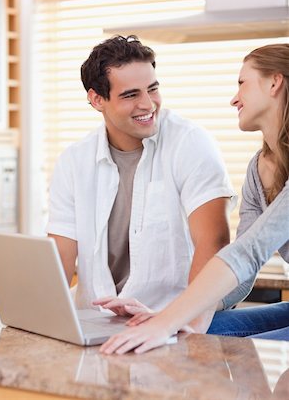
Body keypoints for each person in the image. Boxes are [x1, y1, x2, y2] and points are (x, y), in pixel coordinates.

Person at [98, 43, 289, 355]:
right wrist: (173, 314)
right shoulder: (258, 170)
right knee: (187, 339)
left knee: (248, 354)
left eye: (242, 83)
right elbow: (241, 275)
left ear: (274, 82)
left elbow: (248, 253)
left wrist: (170, 319)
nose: (234, 98)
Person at [46, 35, 237, 333]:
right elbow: (59, 259)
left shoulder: (190, 143)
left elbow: (213, 243)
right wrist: (44, 321)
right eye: (130, 95)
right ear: (97, 99)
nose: (148, 104)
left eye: (153, 89)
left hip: (166, 322)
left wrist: (188, 328)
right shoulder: (73, 161)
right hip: (95, 325)